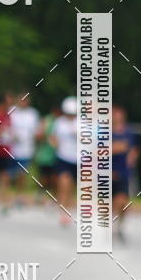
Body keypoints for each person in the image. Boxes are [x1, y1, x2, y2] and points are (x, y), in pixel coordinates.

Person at [111, 105, 138, 242]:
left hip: (123, 172)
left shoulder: (128, 132)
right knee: (109, 201)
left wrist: (132, 158)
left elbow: (133, 149)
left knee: (123, 200)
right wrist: (115, 148)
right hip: (108, 171)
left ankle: (119, 226)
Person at [7, 93, 39, 205]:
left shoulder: (33, 114)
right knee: (7, 175)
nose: (23, 102)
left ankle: (19, 196)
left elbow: (36, 131)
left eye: (26, 100)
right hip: (10, 149)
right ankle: (6, 196)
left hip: (26, 150)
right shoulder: (11, 111)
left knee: (22, 174)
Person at [51, 96, 78, 226]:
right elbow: (53, 137)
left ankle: (68, 208)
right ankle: (63, 211)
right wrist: (55, 144)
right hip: (63, 157)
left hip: (78, 159)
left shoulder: (82, 123)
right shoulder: (59, 122)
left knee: (71, 186)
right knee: (64, 183)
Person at [35, 107, 60, 201]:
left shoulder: (62, 121)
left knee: (55, 177)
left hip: (58, 155)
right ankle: (40, 194)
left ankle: (54, 197)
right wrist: (47, 136)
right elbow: (38, 136)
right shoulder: (46, 120)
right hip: (45, 154)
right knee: (44, 177)